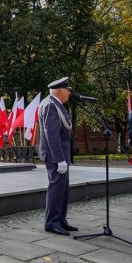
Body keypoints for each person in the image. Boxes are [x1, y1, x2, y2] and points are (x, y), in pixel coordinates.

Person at [38, 76, 77, 236]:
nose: (69, 93)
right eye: (67, 90)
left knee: (63, 189)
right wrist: (60, 159)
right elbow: (51, 135)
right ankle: (52, 223)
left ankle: (61, 220)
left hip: (62, 154)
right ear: (60, 91)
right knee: (56, 188)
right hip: (56, 156)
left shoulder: (56, 104)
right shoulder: (50, 105)